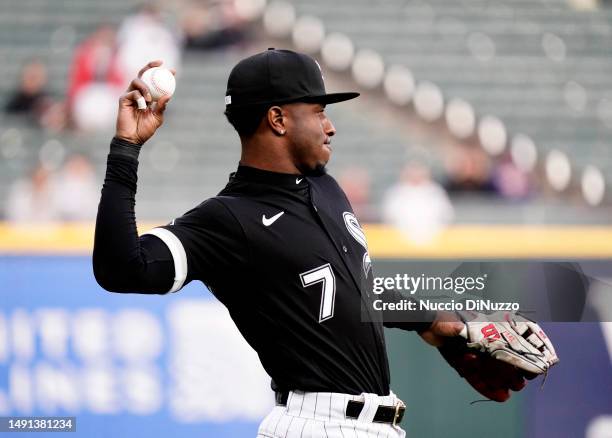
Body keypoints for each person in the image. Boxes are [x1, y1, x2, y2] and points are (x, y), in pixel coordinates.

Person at [93, 50, 533, 437]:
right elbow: (121, 269)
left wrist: (435, 323)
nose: (330, 125)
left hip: (377, 425)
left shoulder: (325, 188)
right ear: (278, 119)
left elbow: (356, 287)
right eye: (319, 110)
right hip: (314, 424)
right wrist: (126, 147)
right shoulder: (227, 219)